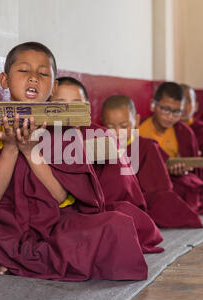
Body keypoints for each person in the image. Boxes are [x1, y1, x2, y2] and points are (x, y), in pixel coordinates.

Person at [0, 42, 155, 281]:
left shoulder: (65, 127)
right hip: (8, 225)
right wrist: (12, 147)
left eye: (43, 74)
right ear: (4, 79)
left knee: (117, 226)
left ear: (53, 87)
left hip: (58, 224)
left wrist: (31, 152)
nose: (33, 78)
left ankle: (8, 261)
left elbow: (62, 198)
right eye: (24, 71)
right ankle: (25, 260)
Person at [50, 76, 164, 253]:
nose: (69, 109)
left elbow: (121, 185)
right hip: (66, 210)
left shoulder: (101, 135)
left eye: (76, 102)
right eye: (60, 102)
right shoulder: (43, 136)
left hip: (104, 205)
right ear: (48, 106)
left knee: (120, 220)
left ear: (87, 106)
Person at [101, 95, 203, 228]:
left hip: (143, 199)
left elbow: (160, 186)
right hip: (114, 201)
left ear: (136, 121)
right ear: (102, 123)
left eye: (124, 126)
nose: (117, 132)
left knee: (165, 203)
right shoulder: (99, 147)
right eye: (110, 127)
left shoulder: (146, 146)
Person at [138, 82, 203, 215]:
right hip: (147, 183)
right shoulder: (139, 129)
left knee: (191, 189)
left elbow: (194, 171)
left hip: (175, 180)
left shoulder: (185, 133)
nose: (170, 116)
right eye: (165, 109)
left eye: (177, 112)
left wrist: (182, 171)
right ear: (153, 105)